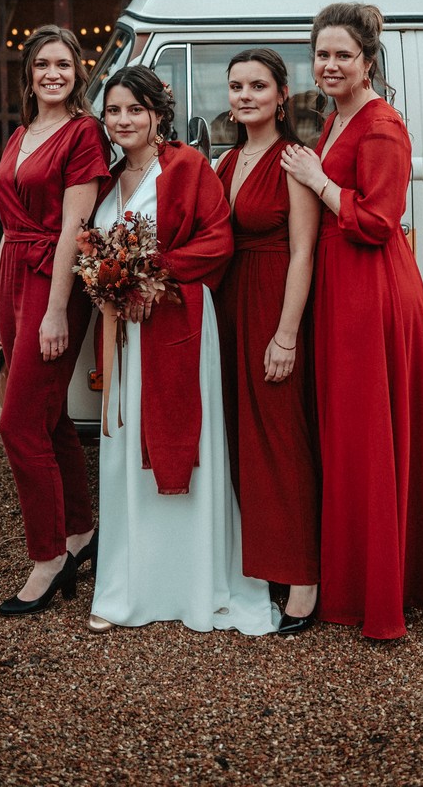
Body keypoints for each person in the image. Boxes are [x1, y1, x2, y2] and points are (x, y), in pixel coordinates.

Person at [281, 3, 423, 640]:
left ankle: (378, 594)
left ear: (368, 61)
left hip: (371, 288)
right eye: (322, 55)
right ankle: (357, 575)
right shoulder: (338, 117)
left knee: (366, 436)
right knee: (349, 434)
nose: (330, 65)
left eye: (343, 56)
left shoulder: (381, 126)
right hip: (343, 285)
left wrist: (314, 178)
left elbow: (380, 221)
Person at [87, 66, 277, 635]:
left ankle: (194, 582)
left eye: (134, 111)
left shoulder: (188, 167)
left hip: (178, 329)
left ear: (157, 114)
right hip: (123, 336)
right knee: (124, 450)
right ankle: (130, 587)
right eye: (113, 111)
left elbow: (218, 240)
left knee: (180, 443)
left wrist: (151, 275)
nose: (123, 120)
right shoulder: (109, 179)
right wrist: (109, 281)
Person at [0, 24, 110, 616]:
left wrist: (56, 308)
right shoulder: (18, 135)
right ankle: (79, 531)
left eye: (63, 64)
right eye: (42, 65)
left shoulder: (84, 134)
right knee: (48, 414)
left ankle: (48, 556)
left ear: (78, 72)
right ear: (29, 75)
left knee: (18, 424)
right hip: (13, 276)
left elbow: (72, 232)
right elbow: (9, 226)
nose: (53, 74)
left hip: (54, 278)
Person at [214, 49, 320, 636]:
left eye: (258, 86)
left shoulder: (293, 160)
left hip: (273, 302)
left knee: (281, 437)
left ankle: (303, 577)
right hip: (229, 306)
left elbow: (304, 249)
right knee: (240, 439)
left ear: (283, 96)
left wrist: (286, 334)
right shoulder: (226, 161)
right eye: (236, 86)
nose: (245, 95)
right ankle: (262, 564)